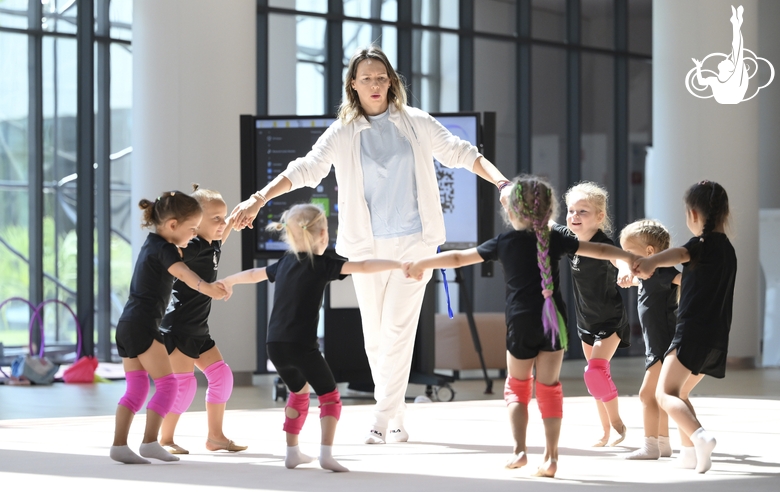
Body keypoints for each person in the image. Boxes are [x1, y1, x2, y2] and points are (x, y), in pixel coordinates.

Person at [229, 45, 512, 444]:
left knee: (398, 329)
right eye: (367, 78)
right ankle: (396, 415)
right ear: (353, 85)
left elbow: (463, 154)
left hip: (415, 244)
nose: (376, 84)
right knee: (376, 338)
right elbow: (306, 168)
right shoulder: (343, 131)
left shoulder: (416, 122)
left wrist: (502, 183)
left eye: (382, 77)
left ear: (392, 81)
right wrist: (259, 198)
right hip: (365, 248)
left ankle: (380, 419)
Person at [403, 176, 638, 478]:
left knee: (517, 388)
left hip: (521, 323)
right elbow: (604, 252)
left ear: (511, 213)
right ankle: (551, 457)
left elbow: (460, 258)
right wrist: (630, 258)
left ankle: (520, 451)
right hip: (555, 322)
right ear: (551, 211)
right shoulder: (557, 239)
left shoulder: (504, 242)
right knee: (550, 389)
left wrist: (422, 263)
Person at [219, 203, 403, 472]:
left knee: (298, 392)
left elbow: (253, 274)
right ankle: (326, 454)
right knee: (329, 397)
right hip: (302, 345)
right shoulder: (323, 264)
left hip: (274, 345)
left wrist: (229, 281)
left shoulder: (283, 263)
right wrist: (399, 264)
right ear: (324, 234)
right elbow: (362, 266)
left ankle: (292, 452)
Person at [110, 191, 227, 464]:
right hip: (143, 327)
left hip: (128, 324)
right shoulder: (165, 249)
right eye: (192, 230)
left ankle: (119, 445)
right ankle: (151, 441)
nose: (194, 236)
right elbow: (183, 273)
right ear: (173, 225)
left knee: (136, 390)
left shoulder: (152, 244)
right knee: (168, 386)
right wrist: (207, 287)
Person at [632, 180, 736, 474]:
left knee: (664, 395)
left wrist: (649, 261)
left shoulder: (700, 246)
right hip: (715, 336)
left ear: (693, 214)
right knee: (680, 393)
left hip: (691, 331)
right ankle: (690, 454)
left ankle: (700, 436)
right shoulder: (727, 250)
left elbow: (677, 254)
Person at [158, 185, 246, 455]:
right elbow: (169, 258)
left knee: (222, 376)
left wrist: (235, 219)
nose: (222, 223)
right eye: (216, 219)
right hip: (178, 327)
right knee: (184, 387)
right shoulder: (192, 246)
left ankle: (216, 437)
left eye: (224, 216)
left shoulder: (212, 244)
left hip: (199, 328)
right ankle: (164, 439)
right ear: (196, 223)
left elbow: (224, 232)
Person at [552, 181, 630, 447]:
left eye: (582, 211)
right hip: (585, 320)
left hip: (610, 319)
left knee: (596, 372)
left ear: (599, 217)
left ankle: (618, 423)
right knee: (594, 378)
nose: (574, 216)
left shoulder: (603, 244)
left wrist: (623, 270)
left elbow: (619, 258)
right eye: (571, 211)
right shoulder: (570, 240)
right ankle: (606, 431)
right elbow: (545, 223)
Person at [617, 219, 682, 460]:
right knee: (659, 394)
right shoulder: (649, 273)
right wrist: (631, 280)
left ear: (649, 252)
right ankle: (663, 443)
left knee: (647, 394)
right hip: (655, 343)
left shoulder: (663, 271)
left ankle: (650, 445)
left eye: (629, 254)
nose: (627, 260)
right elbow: (649, 283)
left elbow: (683, 281)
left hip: (662, 344)